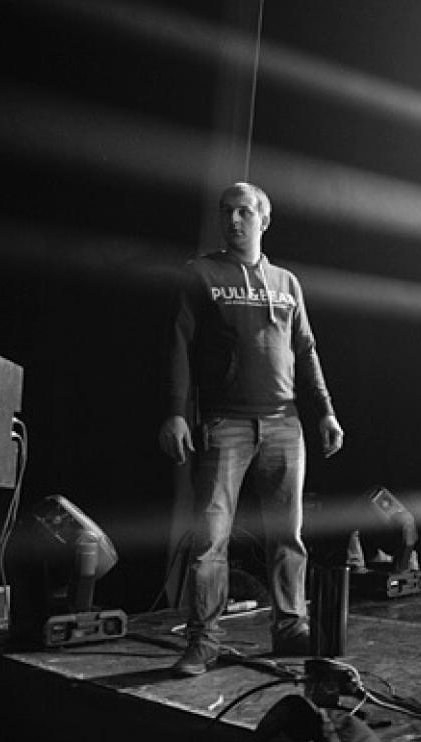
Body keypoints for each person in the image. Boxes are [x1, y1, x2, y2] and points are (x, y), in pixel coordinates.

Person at [160, 182, 345, 676]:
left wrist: (325, 411)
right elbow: (178, 343)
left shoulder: (287, 282)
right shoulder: (200, 273)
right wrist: (176, 412)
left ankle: (290, 628)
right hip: (225, 423)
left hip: (285, 423)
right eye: (227, 212)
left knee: (288, 535)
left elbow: (306, 349)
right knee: (210, 540)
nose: (233, 220)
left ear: (264, 219)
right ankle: (203, 641)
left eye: (244, 211)